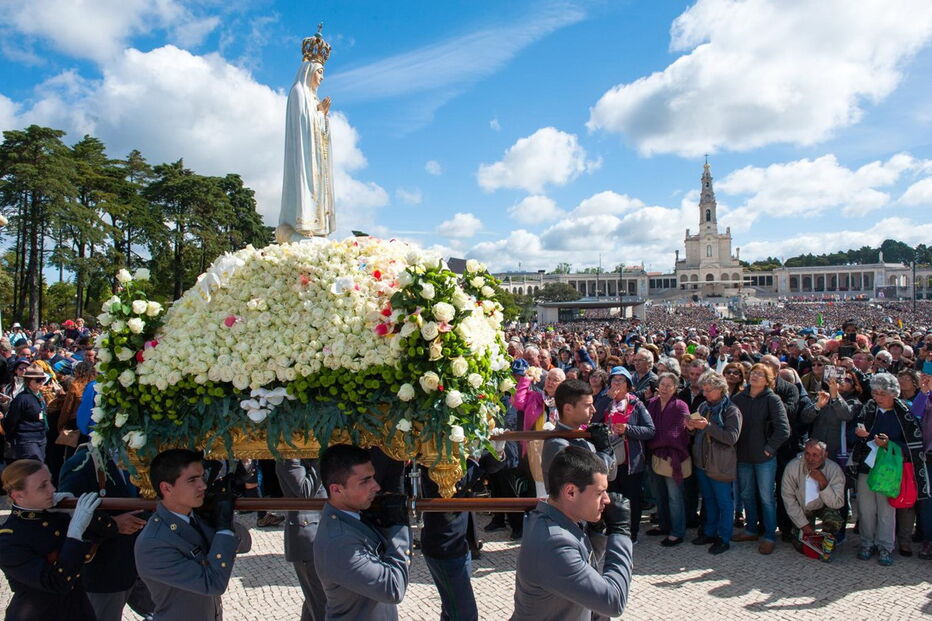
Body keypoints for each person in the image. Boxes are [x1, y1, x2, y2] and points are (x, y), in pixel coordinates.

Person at [511, 446, 633, 621]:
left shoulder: (551, 517)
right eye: (599, 493)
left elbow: (582, 566)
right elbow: (613, 602)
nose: (606, 499)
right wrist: (621, 533)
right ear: (571, 492)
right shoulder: (555, 544)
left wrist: (597, 530)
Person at [135, 448, 248, 620]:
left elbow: (246, 544)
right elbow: (213, 583)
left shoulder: (194, 517)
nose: (203, 485)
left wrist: (219, 521)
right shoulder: (153, 543)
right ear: (166, 488)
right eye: (192, 480)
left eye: (202, 477)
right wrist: (223, 528)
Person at [0, 460, 116, 620]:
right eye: (43, 486)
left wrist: (73, 511)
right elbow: (57, 582)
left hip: (79, 611)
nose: (52, 489)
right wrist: (74, 531)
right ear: (18, 495)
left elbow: (110, 529)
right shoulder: (9, 540)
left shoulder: (55, 514)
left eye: (50, 482)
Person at [314, 444, 411, 620]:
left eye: (373, 477)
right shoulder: (339, 542)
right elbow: (393, 588)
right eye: (365, 481)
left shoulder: (353, 515)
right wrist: (399, 526)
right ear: (336, 489)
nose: (376, 486)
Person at [58, 443, 148, 621]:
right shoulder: (82, 463)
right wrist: (112, 524)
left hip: (139, 565)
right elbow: (68, 513)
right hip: (106, 570)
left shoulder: (141, 455)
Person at [850, 373, 930, 566]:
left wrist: (888, 444)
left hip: (889, 470)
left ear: (893, 394)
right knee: (866, 510)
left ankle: (886, 547)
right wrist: (861, 435)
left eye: (882, 394)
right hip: (867, 466)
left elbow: (912, 445)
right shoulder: (869, 409)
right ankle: (867, 544)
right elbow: (855, 435)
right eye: (875, 393)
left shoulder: (904, 413)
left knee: (886, 510)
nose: (878, 397)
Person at [278, 30, 335, 243]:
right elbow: (303, 125)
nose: (322, 77)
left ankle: (317, 226)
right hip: (304, 154)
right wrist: (319, 114)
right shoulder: (299, 92)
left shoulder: (313, 98)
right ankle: (303, 225)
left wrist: (323, 116)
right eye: (319, 72)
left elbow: (320, 129)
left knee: (318, 186)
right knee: (305, 184)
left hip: (316, 158)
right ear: (309, 71)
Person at [732, 363, 790, 554]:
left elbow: (783, 429)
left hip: (764, 458)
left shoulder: (772, 399)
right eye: (753, 373)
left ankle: (769, 535)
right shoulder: (738, 398)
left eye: (760, 374)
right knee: (746, 494)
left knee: (766, 498)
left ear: (768, 380)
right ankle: (751, 529)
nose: (755, 376)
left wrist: (769, 449)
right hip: (743, 456)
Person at [687, 370, 742, 554]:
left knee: (724, 502)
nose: (705, 394)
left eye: (709, 390)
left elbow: (731, 437)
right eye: (704, 390)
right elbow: (696, 432)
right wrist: (691, 427)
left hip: (720, 463)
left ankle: (723, 537)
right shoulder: (704, 406)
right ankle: (709, 532)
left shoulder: (731, 410)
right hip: (702, 462)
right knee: (709, 500)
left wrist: (708, 427)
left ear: (720, 389)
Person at [602, 366, 654, 542]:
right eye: (614, 380)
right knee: (612, 497)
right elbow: (592, 420)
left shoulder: (637, 405)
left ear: (628, 385)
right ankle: (614, 530)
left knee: (632, 499)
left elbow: (650, 430)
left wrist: (628, 429)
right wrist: (605, 399)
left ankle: (632, 533)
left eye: (621, 380)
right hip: (611, 460)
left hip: (631, 461)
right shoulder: (606, 402)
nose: (617, 383)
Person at [276, 459, 328, 621]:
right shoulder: (289, 458)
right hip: (308, 538)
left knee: (314, 601)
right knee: (322, 604)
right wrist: (321, 461)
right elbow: (305, 491)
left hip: (320, 533)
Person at [646, 372, 692, 546]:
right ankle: (664, 525)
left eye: (668, 385)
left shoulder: (680, 406)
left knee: (675, 496)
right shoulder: (652, 403)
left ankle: (677, 531)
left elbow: (679, 432)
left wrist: (659, 440)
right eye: (662, 384)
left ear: (675, 388)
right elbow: (647, 426)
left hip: (674, 456)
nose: (664, 388)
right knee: (660, 494)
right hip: (655, 455)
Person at [780, 439, 845, 560]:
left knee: (834, 520)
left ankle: (827, 541)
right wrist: (803, 525)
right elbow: (788, 498)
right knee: (801, 544)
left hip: (824, 506)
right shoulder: (793, 467)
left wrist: (823, 482)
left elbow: (837, 503)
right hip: (803, 508)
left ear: (825, 455)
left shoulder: (834, 469)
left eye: (815, 455)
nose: (810, 459)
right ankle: (802, 535)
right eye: (807, 454)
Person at [2, 364, 50, 462]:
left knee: (40, 465)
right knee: (34, 466)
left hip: (41, 437)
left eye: (43, 379)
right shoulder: (21, 399)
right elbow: (11, 420)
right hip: (26, 440)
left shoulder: (41, 396)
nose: (42, 382)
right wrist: (10, 437)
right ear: (28, 381)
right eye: (38, 380)